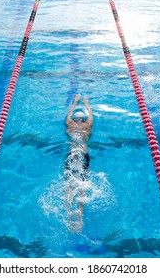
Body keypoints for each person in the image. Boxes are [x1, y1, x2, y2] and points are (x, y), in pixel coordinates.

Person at [65, 94, 93, 232]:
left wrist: (75, 101)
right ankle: (80, 215)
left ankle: (69, 213)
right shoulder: (88, 125)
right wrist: (86, 103)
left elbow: (69, 113)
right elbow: (91, 114)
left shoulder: (70, 125)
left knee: (69, 183)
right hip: (83, 154)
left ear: (75, 119)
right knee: (82, 182)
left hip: (71, 153)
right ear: (84, 119)